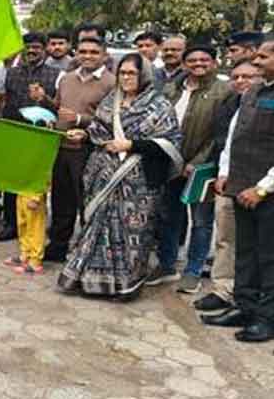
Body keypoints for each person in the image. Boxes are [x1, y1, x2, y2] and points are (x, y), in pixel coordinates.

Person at [57, 53, 183, 299]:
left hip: (138, 182)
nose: (125, 78)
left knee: (131, 234)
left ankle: (126, 285)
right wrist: (85, 135)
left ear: (143, 76)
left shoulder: (159, 105)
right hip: (103, 174)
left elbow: (169, 143)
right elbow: (99, 130)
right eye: (122, 73)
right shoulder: (110, 100)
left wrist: (131, 145)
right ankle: (89, 281)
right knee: (97, 227)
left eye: (131, 73)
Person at [206, 38, 274, 341]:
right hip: (240, 186)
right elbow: (235, 135)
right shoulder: (254, 91)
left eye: (263, 57)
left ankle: (267, 318)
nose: (256, 61)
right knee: (245, 252)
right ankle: (245, 306)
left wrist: (262, 188)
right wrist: (224, 172)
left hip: (266, 193)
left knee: (269, 257)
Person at [147, 45, 229, 292]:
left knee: (201, 220)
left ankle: (193, 271)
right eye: (192, 60)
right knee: (169, 216)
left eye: (204, 60)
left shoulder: (223, 91)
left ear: (214, 63)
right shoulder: (172, 88)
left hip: (202, 167)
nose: (198, 64)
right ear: (184, 64)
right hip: (171, 162)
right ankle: (167, 265)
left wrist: (197, 162)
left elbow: (220, 134)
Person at [194, 58, 263, 315]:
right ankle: (223, 290)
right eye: (236, 77)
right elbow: (227, 143)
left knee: (257, 245)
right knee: (225, 238)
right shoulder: (231, 104)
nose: (240, 81)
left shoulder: (265, 103)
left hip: (261, 185)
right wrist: (223, 172)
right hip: (229, 181)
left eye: (248, 77)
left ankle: (253, 298)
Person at [46, 37, 116, 263]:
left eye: (94, 52)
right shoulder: (66, 78)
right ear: (76, 53)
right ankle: (57, 247)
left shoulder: (111, 82)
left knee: (87, 202)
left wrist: (79, 120)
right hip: (62, 147)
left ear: (104, 55)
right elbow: (58, 107)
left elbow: (113, 120)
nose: (88, 56)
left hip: (90, 149)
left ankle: (87, 252)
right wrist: (52, 119)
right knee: (60, 200)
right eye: (83, 51)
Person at [0, 33, 62, 241]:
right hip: (14, 131)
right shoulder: (10, 73)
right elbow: (1, 100)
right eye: (28, 47)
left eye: (36, 47)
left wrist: (43, 98)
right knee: (10, 182)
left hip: (41, 134)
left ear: (44, 49)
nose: (32, 51)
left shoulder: (57, 75)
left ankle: (35, 227)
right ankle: (11, 224)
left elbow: (59, 107)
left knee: (37, 184)